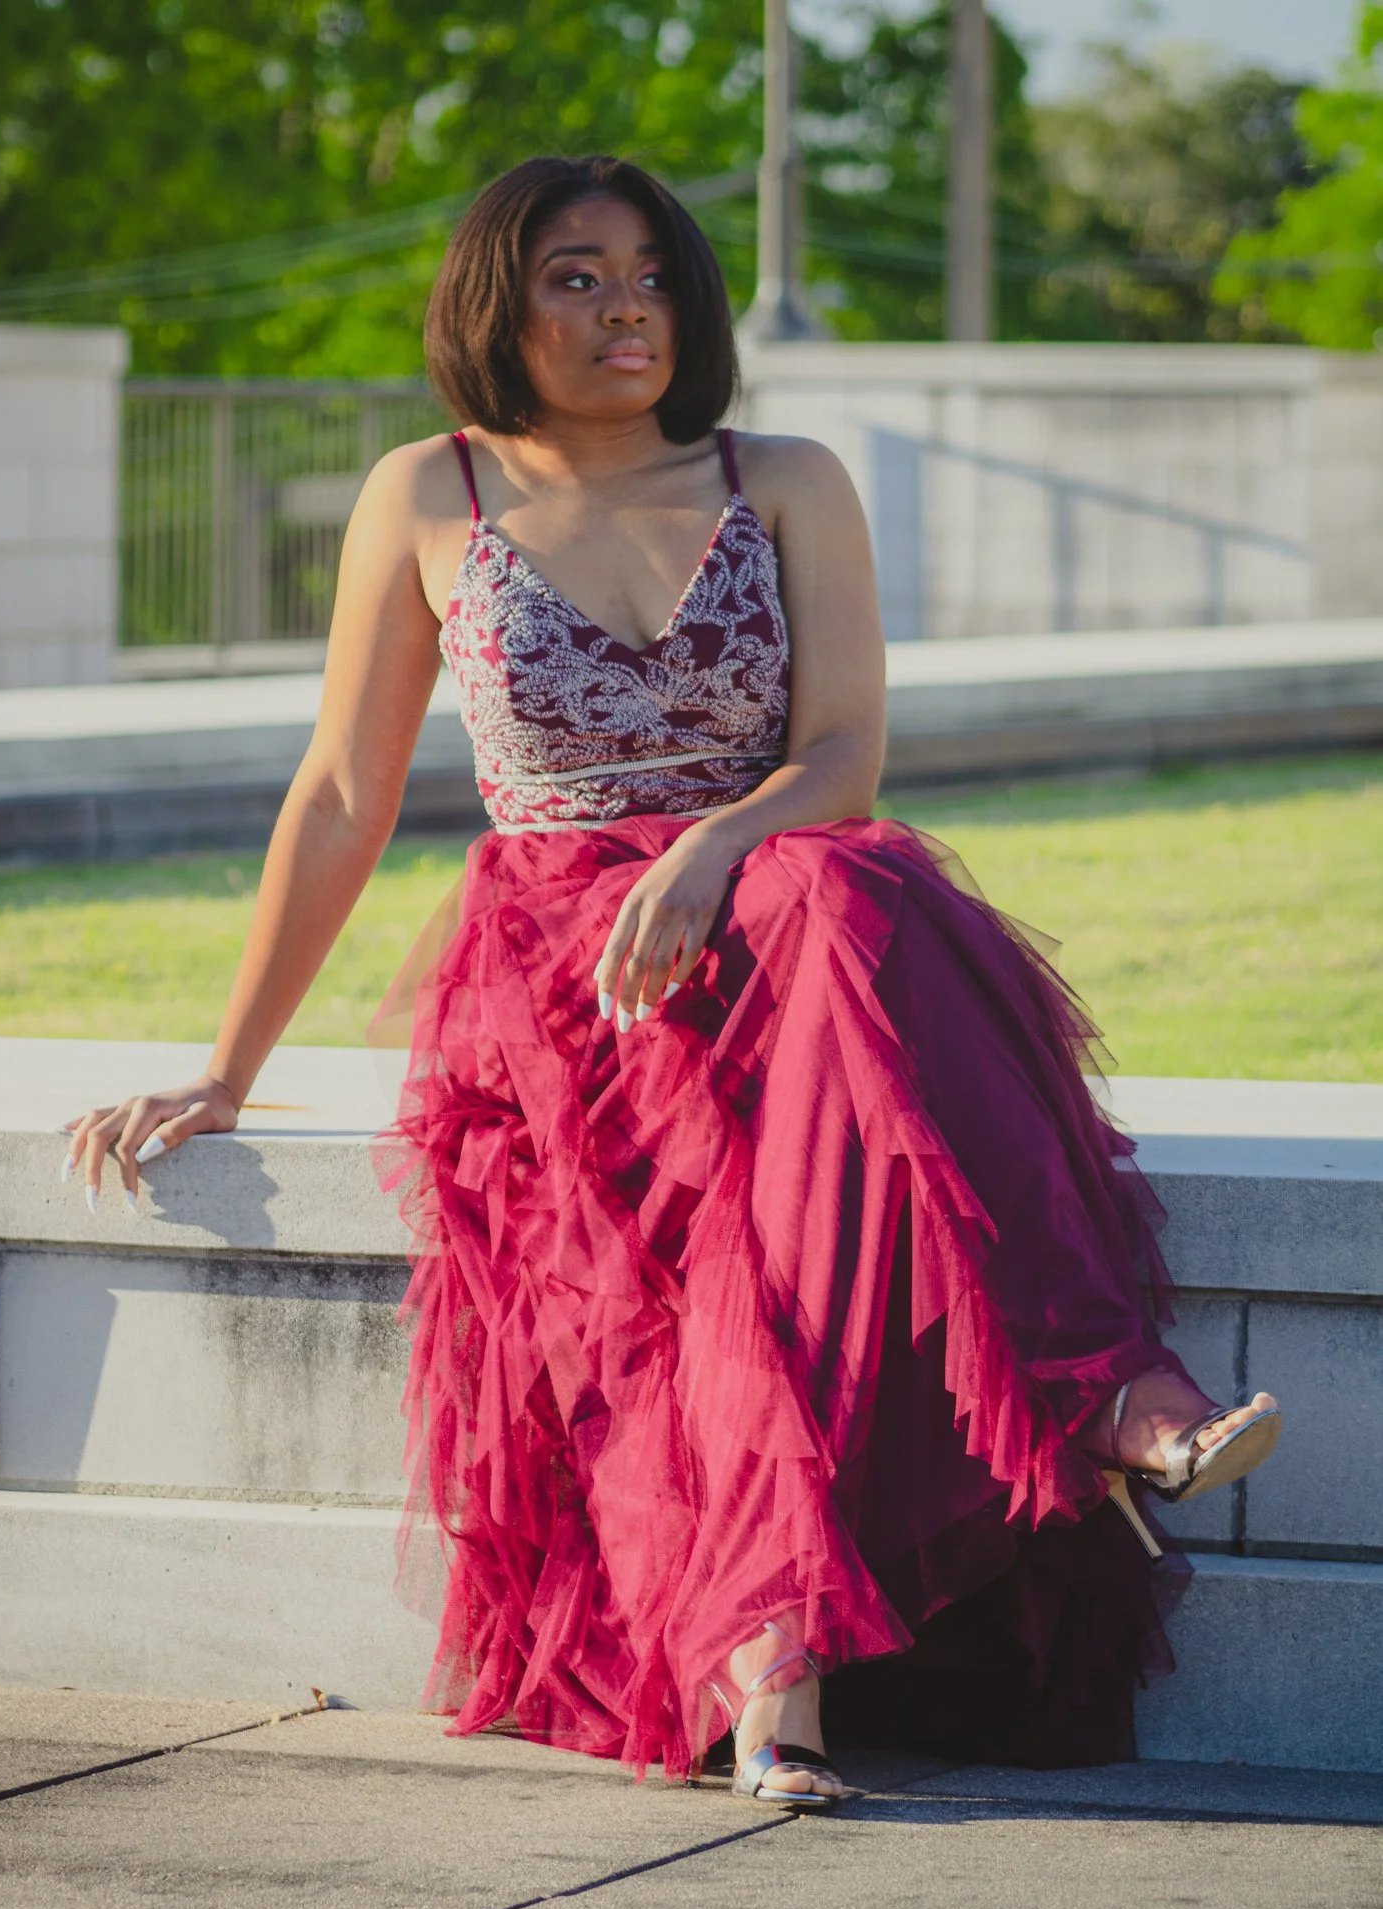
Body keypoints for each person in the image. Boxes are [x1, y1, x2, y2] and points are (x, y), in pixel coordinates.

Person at [64, 155, 1281, 1810]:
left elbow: (844, 756)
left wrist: (704, 849)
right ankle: (1032, 1459)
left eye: (649, 275)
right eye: (575, 275)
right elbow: (342, 794)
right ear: (498, 304)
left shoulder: (780, 476)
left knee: (830, 893)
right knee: (712, 1224)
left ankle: (870, 1601)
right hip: (572, 976)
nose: (625, 305)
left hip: (784, 917)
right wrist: (221, 1067)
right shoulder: (432, 492)